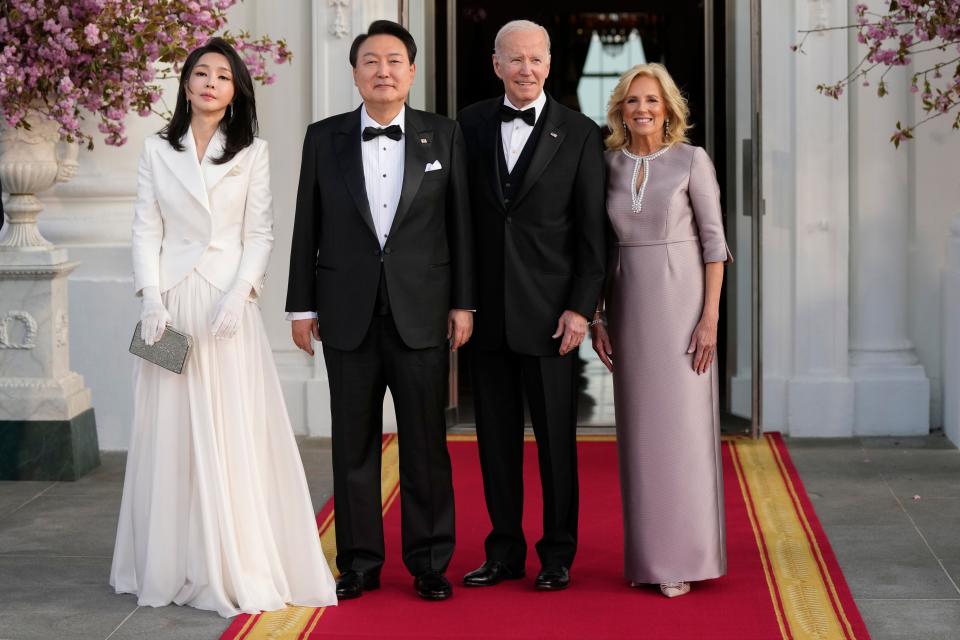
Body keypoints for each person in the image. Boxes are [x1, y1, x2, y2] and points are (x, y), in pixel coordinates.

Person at [111, 38, 337, 616]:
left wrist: (241, 294)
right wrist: (150, 299)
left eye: (223, 76)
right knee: (169, 429)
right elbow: (145, 228)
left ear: (237, 92)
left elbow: (259, 232)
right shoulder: (156, 149)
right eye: (201, 73)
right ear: (186, 84)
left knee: (229, 426)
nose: (211, 82)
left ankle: (232, 558)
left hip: (224, 306)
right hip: (170, 305)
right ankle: (172, 561)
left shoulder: (252, 152)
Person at [286, 20, 475, 602]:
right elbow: (305, 227)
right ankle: (360, 562)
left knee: (425, 446)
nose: (383, 70)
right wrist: (300, 306)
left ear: (412, 72)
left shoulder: (444, 136)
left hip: (423, 312)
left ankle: (428, 562)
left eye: (395, 61)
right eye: (371, 61)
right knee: (353, 445)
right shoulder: (324, 137)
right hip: (347, 312)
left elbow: (461, 226)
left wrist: (463, 302)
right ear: (355, 73)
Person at [458, 20, 607, 591]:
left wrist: (580, 308)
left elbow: (592, 235)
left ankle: (557, 554)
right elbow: (459, 222)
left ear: (549, 65)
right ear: (496, 65)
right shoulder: (468, 124)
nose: (525, 69)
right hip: (487, 313)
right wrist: (461, 302)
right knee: (495, 442)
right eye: (514, 59)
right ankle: (503, 552)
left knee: (555, 444)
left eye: (535, 59)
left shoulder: (580, 132)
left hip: (552, 316)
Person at [590, 63, 732, 598]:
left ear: (669, 107)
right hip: (628, 301)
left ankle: (688, 555)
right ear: (620, 110)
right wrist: (599, 314)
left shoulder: (692, 160)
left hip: (683, 302)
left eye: (651, 100)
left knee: (685, 432)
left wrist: (710, 319)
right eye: (632, 101)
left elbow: (715, 244)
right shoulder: (605, 165)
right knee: (642, 436)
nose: (642, 109)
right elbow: (599, 248)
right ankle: (651, 555)